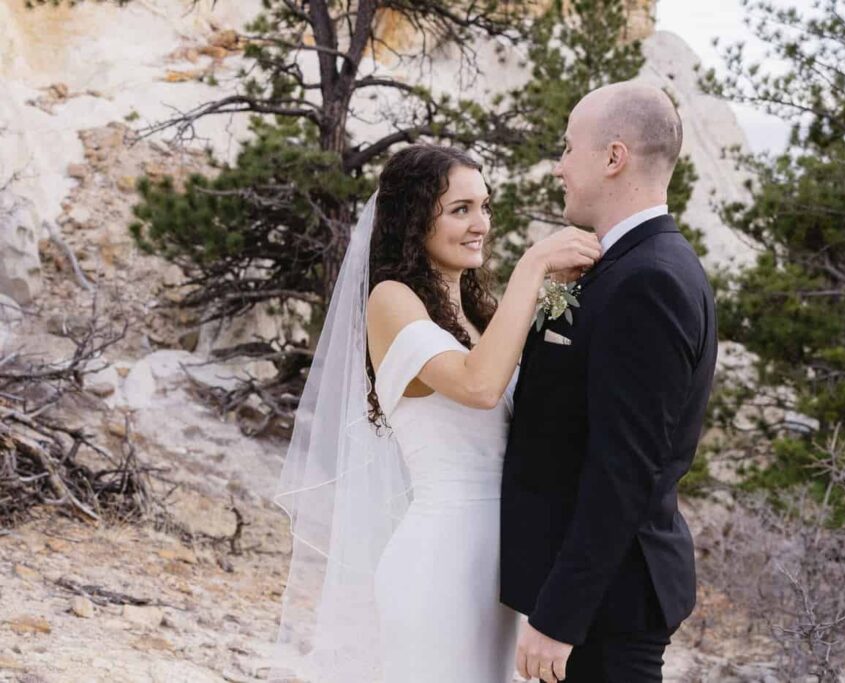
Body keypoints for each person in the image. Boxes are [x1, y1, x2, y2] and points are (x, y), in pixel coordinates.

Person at [271, 143, 601, 681]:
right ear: (414, 218)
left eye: (485, 207)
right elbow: (479, 386)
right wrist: (534, 265)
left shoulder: (477, 315)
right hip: (441, 562)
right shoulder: (391, 300)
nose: (481, 224)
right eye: (460, 209)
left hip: (505, 563)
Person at [501, 81, 719, 683]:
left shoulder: (650, 281)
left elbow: (624, 471)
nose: (559, 166)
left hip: (608, 607)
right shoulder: (623, 265)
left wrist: (559, 619)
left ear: (613, 157)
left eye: (569, 148)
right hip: (596, 597)